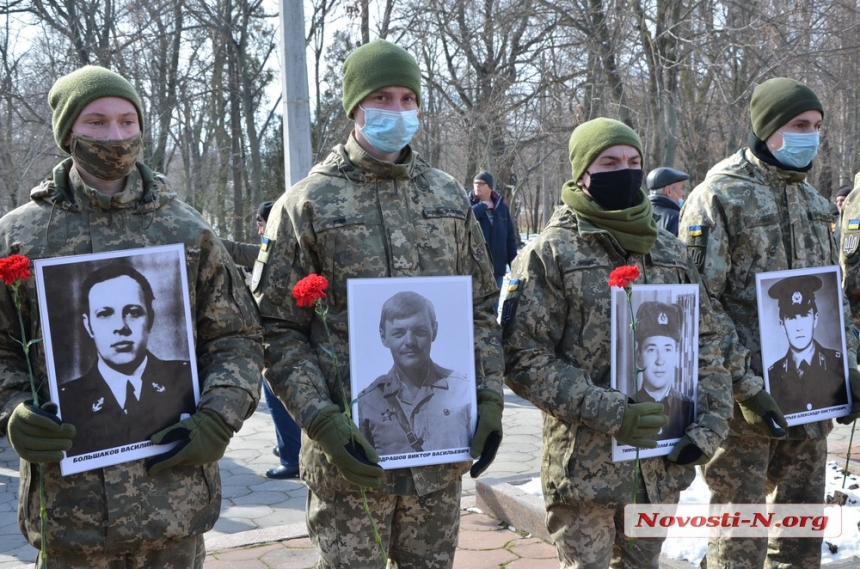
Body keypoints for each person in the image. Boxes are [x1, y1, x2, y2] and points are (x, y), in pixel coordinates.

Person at [252, 39, 504, 568]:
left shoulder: (446, 198)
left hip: (438, 456)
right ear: (355, 108)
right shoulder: (307, 203)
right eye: (382, 98)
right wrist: (320, 419)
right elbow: (274, 327)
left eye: (408, 98)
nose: (397, 110)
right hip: (350, 458)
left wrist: (490, 399)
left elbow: (479, 308)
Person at [0, 65, 263, 567]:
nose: (116, 136)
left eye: (127, 120)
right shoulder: (21, 237)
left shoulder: (185, 229)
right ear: (67, 133)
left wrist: (218, 417)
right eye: (96, 122)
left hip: (174, 507)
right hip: (68, 515)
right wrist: (12, 409)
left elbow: (237, 337)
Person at [502, 117, 733, 568]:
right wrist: (609, 410)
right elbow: (523, 358)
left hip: (660, 468)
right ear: (582, 174)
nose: (624, 170)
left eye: (633, 161)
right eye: (609, 162)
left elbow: (708, 344)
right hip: (585, 475)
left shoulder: (668, 251)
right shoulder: (550, 254)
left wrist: (708, 430)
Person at [679, 77, 860, 569]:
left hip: (812, 400)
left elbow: (831, 297)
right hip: (744, 409)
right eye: (799, 125)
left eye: (818, 126)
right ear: (767, 128)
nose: (812, 136)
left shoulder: (814, 204)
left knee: (800, 537)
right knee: (740, 539)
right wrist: (743, 386)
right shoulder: (718, 197)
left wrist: (848, 364)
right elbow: (698, 305)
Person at [59, 264, 195, 457]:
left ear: (151, 318)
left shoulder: (186, 378)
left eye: (133, 312)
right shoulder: (66, 399)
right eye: (105, 314)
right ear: (88, 325)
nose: (121, 327)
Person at [223, 200, 303, 479]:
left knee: (279, 396)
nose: (258, 229)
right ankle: (289, 448)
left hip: (282, 337)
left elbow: (237, 252)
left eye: (261, 222)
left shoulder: (277, 250)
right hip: (280, 335)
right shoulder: (284, 247)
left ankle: (293, 457)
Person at [357, 291, 472, 455]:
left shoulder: (462, 390)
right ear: (383, 337)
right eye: (398, 333)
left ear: (435, 331)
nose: (410, 342)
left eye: (420, 331)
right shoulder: (368, 402)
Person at [633, 301, 694, 441]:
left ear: (676, 357)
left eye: (667, 350)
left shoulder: (689, 408)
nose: (660, 360)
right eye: (651, 350)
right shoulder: (626, 406)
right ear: (639, 357)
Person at [469, 171, 518, 293]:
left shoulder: (501, 208)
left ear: (490, 187)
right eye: (475, 183)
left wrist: (515, 267)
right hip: (475, 270)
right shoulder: (467, 203)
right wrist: (482, 206)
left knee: (494, 310)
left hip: (497, 269)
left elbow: (510, 239)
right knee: (475, 309)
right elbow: (466, 220)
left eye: (481, 183)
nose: (477, 186)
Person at [645, 166, 689, 236]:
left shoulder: (641, 213)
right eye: (681, 189)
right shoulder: (675, 218)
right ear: (668, 191)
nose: (683, 194)